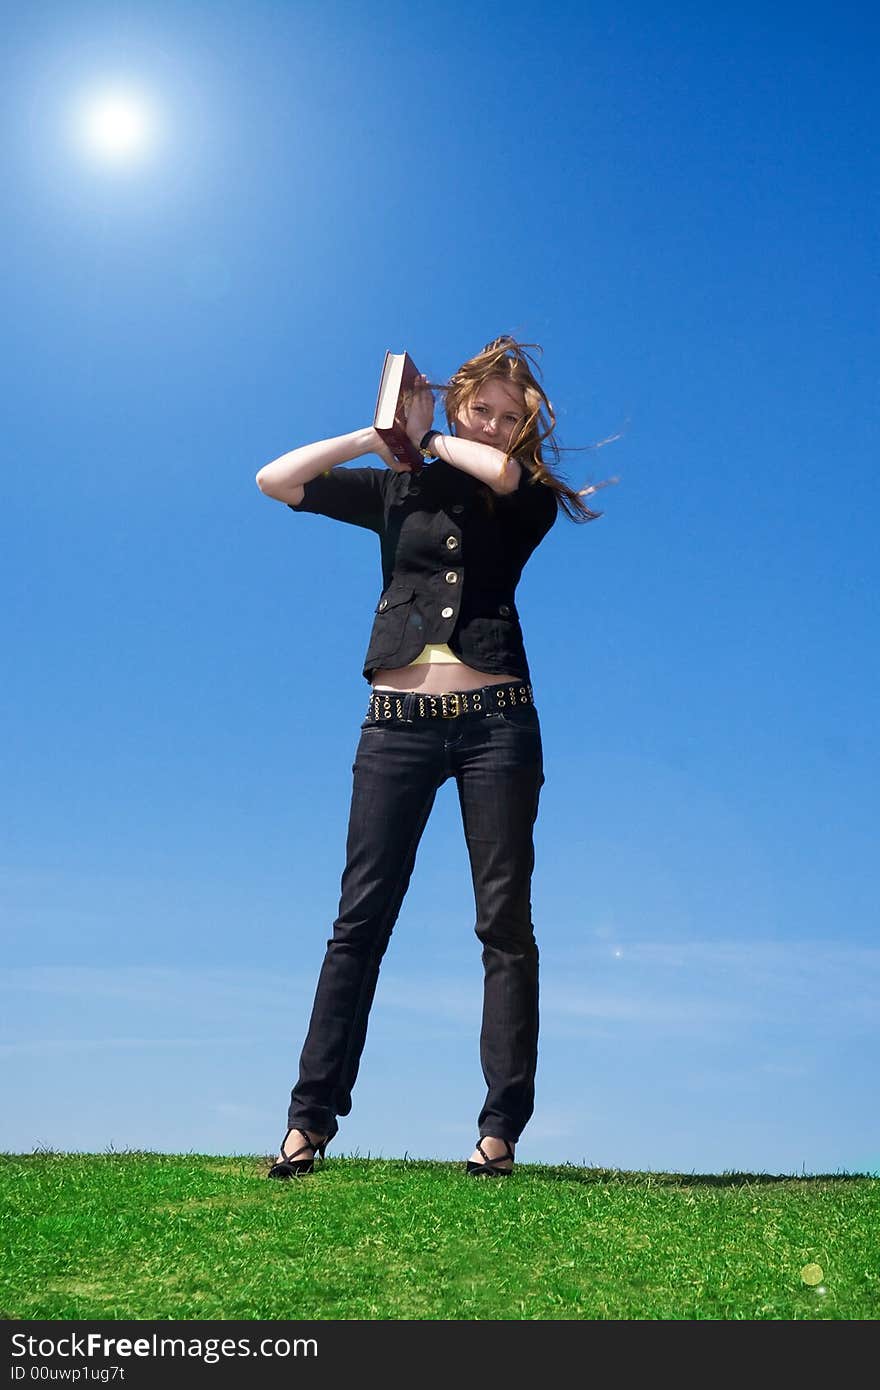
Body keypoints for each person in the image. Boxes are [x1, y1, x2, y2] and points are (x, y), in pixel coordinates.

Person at [255, 336, 612, 1178]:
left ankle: (498, 1133)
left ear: (522, 428)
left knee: (503, 925)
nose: (490, 424)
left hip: (496, 726)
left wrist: (424, 435)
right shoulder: (395, 490)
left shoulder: (526, 493)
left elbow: (497, 477)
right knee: (359, 922)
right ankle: (307, 1125)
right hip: (395, 728)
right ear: (455, 403)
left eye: (506, 416)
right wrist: (374, 435)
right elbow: (277, 480)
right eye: (477, 407)